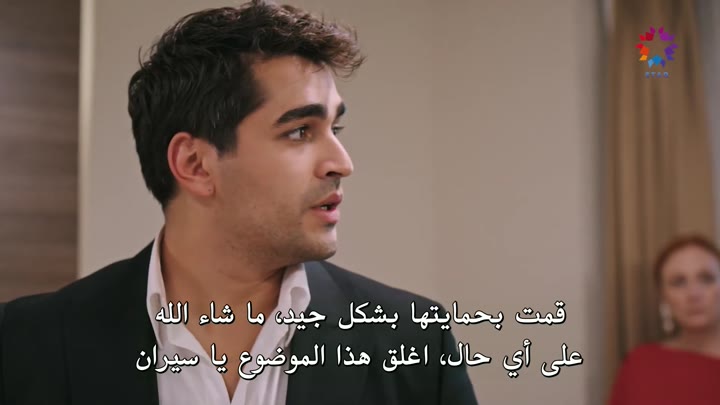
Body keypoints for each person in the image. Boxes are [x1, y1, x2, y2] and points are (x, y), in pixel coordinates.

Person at [0, 1, 478, 404]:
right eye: (300, 131)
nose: (341, 163)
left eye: (335, 128)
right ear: (195, 164)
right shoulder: (25, 345)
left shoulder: (415, 344)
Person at [608, 234, 720, 405]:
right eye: (678, 282)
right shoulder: (640, 365)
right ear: (664, 297)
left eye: (706, 279)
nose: (694, 294)